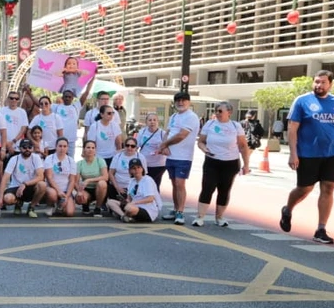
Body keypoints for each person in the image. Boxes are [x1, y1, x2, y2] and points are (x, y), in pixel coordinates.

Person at [280, 70, 334, 244]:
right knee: (305, 189)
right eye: (317, 82)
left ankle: (321, 229)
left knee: (329, 188)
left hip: (332, 153)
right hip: (307, 153)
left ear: (330, 84)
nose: (319, 85)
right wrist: (293, 153)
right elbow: (292, 128)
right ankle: (288, 209)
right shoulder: (302, 101)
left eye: (323, 82)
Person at [193, 102, 252, 227]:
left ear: (229, 112)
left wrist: (246, 165)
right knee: (207, 188)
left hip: (230, 162)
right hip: (212, 161)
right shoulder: (210, 124)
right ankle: (200, 217)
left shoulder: (235, 126)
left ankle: (219, 217)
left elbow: (243, 146)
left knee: (224, 190)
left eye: (220, 111)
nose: (217, 113)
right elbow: (201, 142)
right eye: (216, 111)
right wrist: (204, 149)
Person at [158, 91, 201, 224]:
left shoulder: (191, 117)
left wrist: (165, 144)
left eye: (183, 100)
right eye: (178, 101)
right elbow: (168, 132)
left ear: (189, 102)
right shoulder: (174, 116)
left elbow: (182, 135)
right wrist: (164, 146)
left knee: (180, 184)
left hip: (183, 157)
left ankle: (180, 212)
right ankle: (176, 209)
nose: (180, 103)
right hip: (171, 156)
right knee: (174, 184)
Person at [1, 138, 47, 217]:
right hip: (16, 187)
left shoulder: (36, 158)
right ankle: (18, 202)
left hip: (30, 187)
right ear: (20, 148)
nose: (27, 149)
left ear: (32, 148)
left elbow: (40, 176)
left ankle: (31, 207)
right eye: (24, 147)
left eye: (29, 147)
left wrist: (25, 184)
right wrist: (0, 196)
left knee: (42, 185)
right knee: (7, 199)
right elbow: (5, 178)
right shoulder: (14, 159)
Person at [107, 158, 162, 223]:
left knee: (129, 208)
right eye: (134, 168)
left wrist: (134, 203)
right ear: (130, 171)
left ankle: (122, 214)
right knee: (110, 202)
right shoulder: (132, 181)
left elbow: (150, 199)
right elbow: (129, 199)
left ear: (142, 169)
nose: (136, 170)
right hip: (134, 206)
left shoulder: (147, 180)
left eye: (138, 167)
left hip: (147, 210)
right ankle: (123, 216)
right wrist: (124, 201)